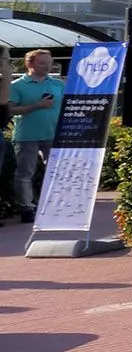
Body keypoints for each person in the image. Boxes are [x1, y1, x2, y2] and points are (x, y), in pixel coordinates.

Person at [10, 48, 66, 222]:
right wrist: (36, 106)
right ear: (30, 64)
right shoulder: (17, 85)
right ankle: (26, 207)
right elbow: (10, 109)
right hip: (27, 135)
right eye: (42, 63)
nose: (47, 66)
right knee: (25, 173)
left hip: (53, 134)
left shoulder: (58, 84)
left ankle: (54, 204)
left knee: (56, 171)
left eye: (49, 63)